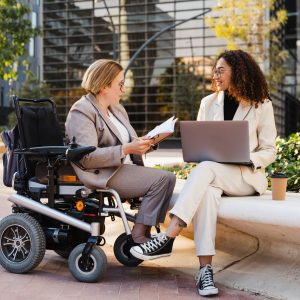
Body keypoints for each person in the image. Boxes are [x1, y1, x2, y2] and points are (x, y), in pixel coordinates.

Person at [130, 49, 277, 296]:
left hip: (245, 177)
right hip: (212, 175)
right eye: (215, 71)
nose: (215, 75)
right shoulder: (207, 103)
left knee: (207, 170)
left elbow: (270, 150)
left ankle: (168, 236)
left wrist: (247, 158)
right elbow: (200, 145)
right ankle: (205, 271)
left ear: (238, 72)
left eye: (221, 71)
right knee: (207, 191)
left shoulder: (261, 104)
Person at [65, 59, 176, 244]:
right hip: (102, 173)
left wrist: (146, 143)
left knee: (169, 178)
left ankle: (145, 233)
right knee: (162, 179)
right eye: (121, 84)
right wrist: (126, 149)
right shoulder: (82, 110)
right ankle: (139, 236)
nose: (124, 90)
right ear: (104, 86)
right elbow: (86, 158)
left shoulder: (117, 109)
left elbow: (129, 141)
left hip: (122, 167)